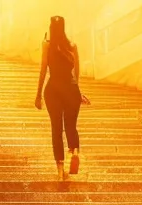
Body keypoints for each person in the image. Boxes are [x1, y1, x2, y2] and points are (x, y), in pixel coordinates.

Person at [35, 15, 89, 180]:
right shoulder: (72, 46)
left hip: (53, 90)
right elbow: (76, 73)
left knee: (56, 129)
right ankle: (75, 151)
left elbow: (43, 69)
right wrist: (77, 92)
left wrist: (38, 95)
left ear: (51, 27)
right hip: (70, 89)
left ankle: (60, 170)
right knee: (71, 126)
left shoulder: (47, 45)